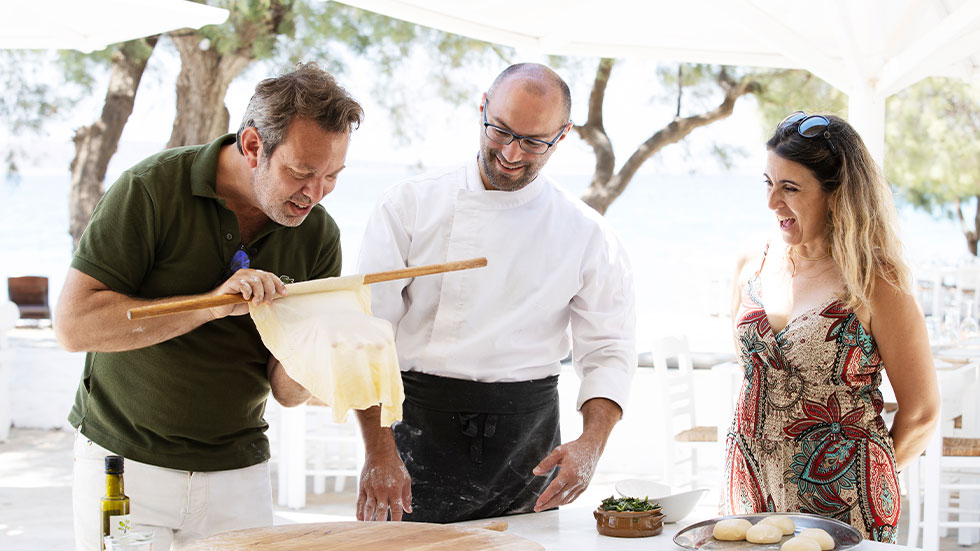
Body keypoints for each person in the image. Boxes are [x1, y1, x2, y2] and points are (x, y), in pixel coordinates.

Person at [54, 62, 363, 550]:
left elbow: (287, 391)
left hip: (239, 474)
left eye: (332, 176)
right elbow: (74, 327)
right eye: (302, 173)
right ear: (253, 145)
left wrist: (332, 344)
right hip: (125, 464)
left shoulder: (319, 235)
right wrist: (208, 306)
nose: (315, 194)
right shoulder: (151, 189)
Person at [353, 62, 636, 524]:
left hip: (529, 443)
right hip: (414, 432)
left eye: (532, 141)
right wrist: (377, 451)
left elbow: (608, 349)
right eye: (500, 131)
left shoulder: (587, 233)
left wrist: (591, 444)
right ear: (482, 108)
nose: (510, 152)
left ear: (561, 136)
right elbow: (366, 338)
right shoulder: (408, 205)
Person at [724, 111, 940, 542]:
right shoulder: (752, 259)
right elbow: (754, 371)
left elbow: (921, 413)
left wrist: (863, 472)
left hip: (845, 504)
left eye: (790, 188)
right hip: (749, 492)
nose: (772, 202)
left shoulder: (876, 281)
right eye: (768, 183)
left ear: (836, 194)